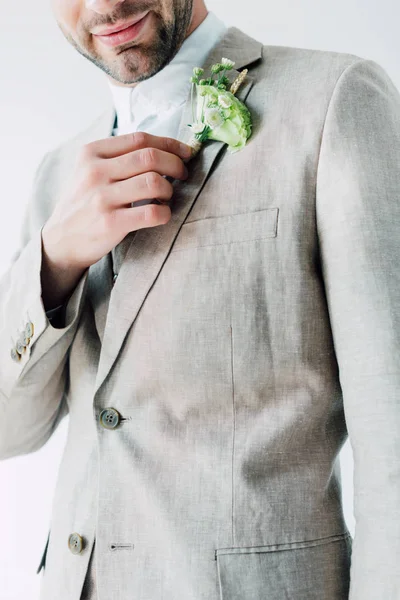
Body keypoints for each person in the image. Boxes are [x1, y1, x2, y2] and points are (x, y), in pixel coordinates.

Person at [1, 0, 399, 598]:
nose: (106, 6)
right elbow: (12, 432)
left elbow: (391, 421)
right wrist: (55, 261)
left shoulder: (335, 100)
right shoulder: (59, 175)